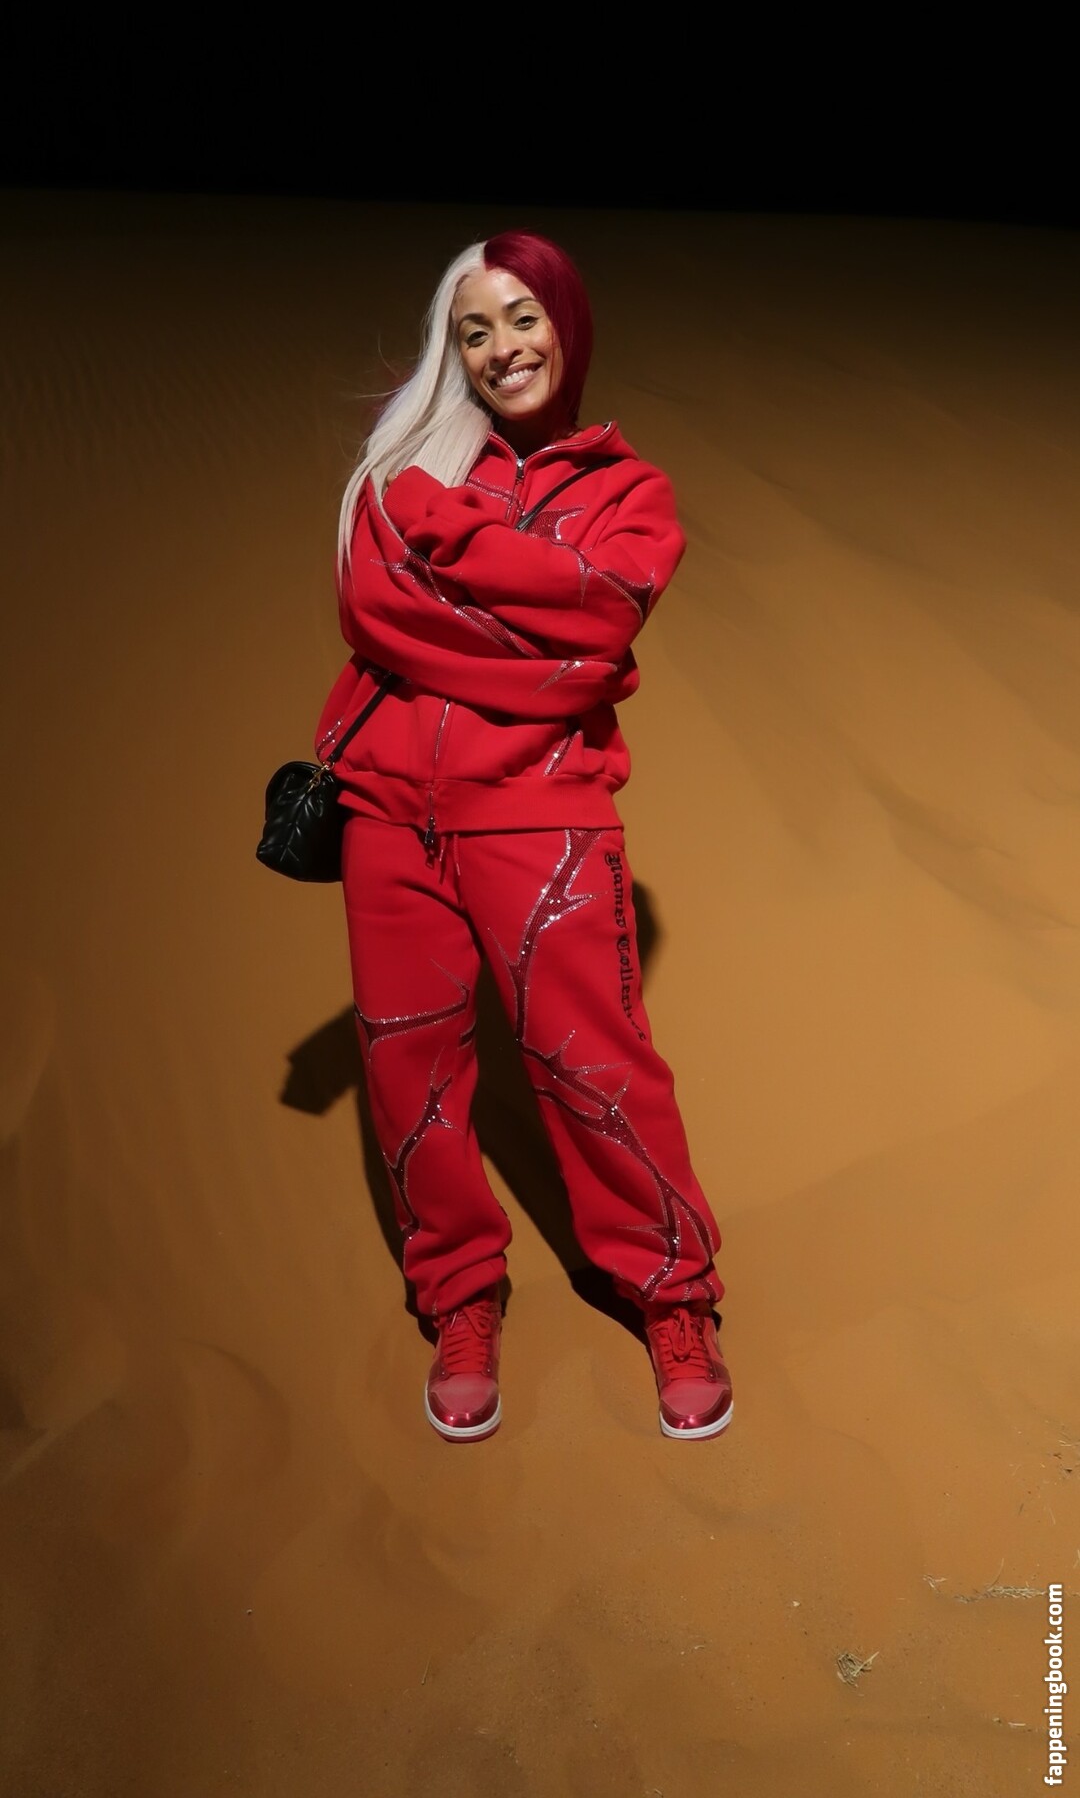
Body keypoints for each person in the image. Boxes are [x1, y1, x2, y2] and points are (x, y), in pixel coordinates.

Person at [314, 229, 732, 1444]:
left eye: (522, 318)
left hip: (545, 820)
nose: (503, 348)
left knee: (596, 1066)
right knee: (410, 1071)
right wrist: (529, 625)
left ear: (566, 323)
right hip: (386, 815)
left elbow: (599, 632)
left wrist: (444, 554)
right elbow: (375, 609)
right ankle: (460, 1297)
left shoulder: (626, 494)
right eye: (475, 330)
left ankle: (674, 1298)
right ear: (454, 352)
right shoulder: (400, 470)